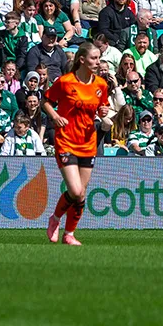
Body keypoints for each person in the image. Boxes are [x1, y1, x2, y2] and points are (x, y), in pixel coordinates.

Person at [43, 42, 109, 246]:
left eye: (98, 58)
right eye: (94, 58)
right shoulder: (65, 82)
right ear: (82, 60)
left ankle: (69, 233)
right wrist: (55, 116)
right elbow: (46, 101)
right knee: (76, 190)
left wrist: (104, 113)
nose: (98, 62)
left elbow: (102, 107)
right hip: (66, 140)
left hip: (88, 142)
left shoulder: (100, 85)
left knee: (81, 194)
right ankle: (54, 219)